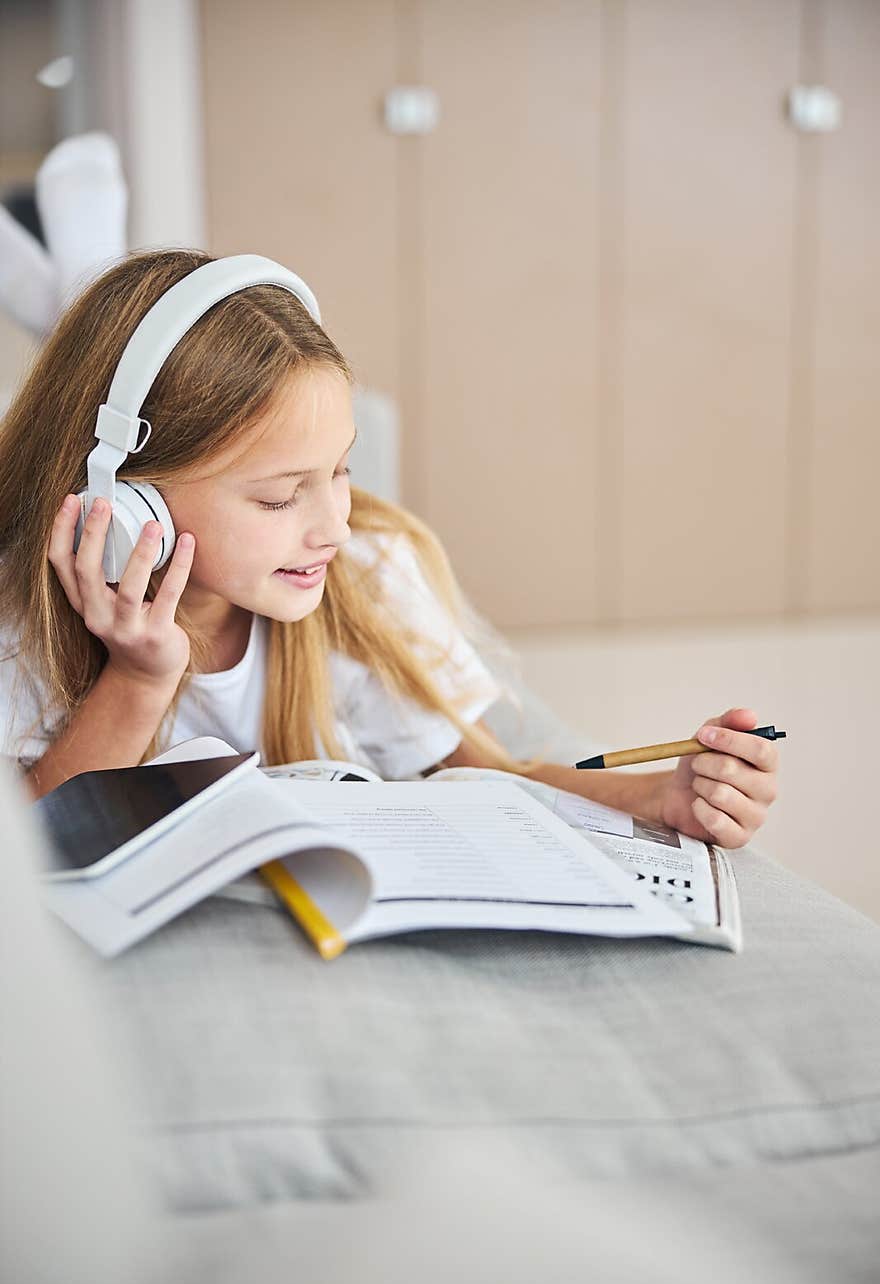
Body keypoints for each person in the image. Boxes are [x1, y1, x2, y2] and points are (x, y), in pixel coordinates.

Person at [0, 249, 777, 847]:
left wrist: (658, 797)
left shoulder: (363, 572)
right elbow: (32, 855)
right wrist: (138, 679)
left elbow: (488, 774)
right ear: (125, 503)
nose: (331, 524)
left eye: (339, 471)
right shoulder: (23, 625)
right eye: (278, 496)